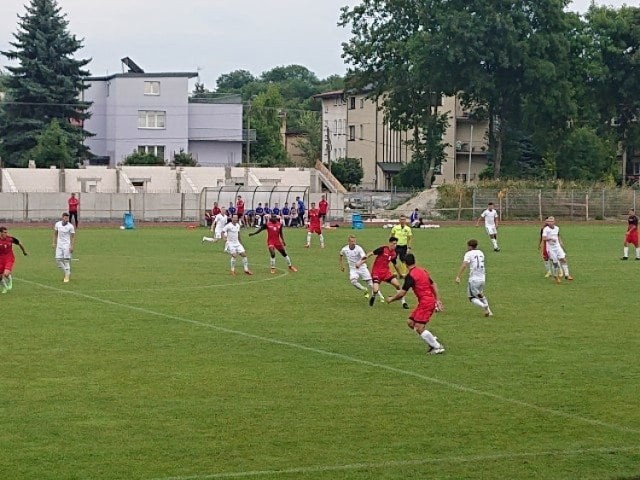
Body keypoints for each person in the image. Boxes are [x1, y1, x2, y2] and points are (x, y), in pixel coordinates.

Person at [386, 253, 445, 355]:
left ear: (405, 263)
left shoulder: (411, 276)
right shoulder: (422, 271)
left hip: (426, 303)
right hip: (426, 302)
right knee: (410, 322)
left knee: (418, 327)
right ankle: (431, 339)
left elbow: (402, 293)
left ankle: (437, 346)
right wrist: (437, 299)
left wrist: (391, 299)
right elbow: (433, 284)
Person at [357, 236, 408, 308]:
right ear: (390, 243)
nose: (395, 245)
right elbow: (372, 253)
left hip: (386, 273)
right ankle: (374, 296)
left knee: (397, 285)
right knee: (375, 290)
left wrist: (400, 274)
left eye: (396, 244)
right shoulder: (383, 249)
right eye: (394, 243)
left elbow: (395, 265)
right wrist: (364, 258)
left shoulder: (393, 254)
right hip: (376, 272)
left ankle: (404, 303)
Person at [455, 239, 493, 317]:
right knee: (480, 294)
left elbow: (464, 265)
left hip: (474, 279)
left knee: (471, 297)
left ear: (469, 246)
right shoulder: (481, 252)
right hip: (482, 278)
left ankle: (484, 306)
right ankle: (489, 311)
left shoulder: (468, 254)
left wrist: (458, 276)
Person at [339, 234, 375, 299]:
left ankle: (381, 297)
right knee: (353, 281)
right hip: (353, 269)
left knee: (371, 283)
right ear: (349, 242)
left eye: (354, 241)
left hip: (362, 267)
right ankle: (364, 290)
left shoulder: (359, 248)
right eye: (352, 241)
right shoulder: (344, 249)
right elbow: (341, 255)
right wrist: (342, 266)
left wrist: (359, 263)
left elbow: (365, 258)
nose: (353, 243)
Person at [542, 216, 573, 283]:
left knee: (563, 259)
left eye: (551, 221)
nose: (550, 222)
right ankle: (556, 277)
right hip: (550, 248)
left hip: (557, 247)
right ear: (547, 222)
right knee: (555, 263)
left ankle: (567, 275)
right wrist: (550, 239)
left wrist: (561, 244)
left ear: (554, 222)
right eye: (549, 221)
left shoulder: (557, 228)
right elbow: (544, 238)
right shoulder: (546, 229)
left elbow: (558, 237)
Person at [0, 226, 28, 293]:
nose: (6, 234)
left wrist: (24, 251)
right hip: (1, 259)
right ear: (0, 233)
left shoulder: (10, 239)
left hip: (9, 258)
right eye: (4, 232)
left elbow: (19, 243)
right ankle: (4, 288)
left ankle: (9, 279)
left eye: (6, 232)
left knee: (6, 274)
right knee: (0, 277)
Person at [53, 212, 75, 283]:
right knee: (58, 260)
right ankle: (67, 272)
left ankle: (67, 276)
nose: (66, 219)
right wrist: (54, 242)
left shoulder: (70, 226)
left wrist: (71, 246)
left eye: (67, 218)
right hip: (59, 245)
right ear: (62, 217)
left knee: (66, 260)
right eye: (65, 218)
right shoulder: (57, 224)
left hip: (66, 245)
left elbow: (72, 237)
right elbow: (55, 234)